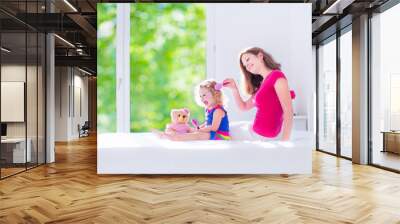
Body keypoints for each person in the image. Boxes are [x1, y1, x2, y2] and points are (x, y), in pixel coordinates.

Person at [223, 47, 293, 141]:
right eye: (245, 65)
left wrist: (285, 142)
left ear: (260, 56)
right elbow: (244, 106)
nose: (247, 65)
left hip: (263, 136)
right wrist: (234, 89)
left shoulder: (277, 76)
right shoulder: (262, 84)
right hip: (254, 130)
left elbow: (288, 111)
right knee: (223, 128)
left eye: (248, 59)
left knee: (221, 132)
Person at [154, 80, 230, 141]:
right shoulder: (209, 109)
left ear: (215, 94)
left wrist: (200, 130)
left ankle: (176, 137)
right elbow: (207, 123)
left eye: (204, 95)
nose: (202, 98)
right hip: (213, 133)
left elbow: (214, 128)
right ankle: (174, 134)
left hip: (221, 136)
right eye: (200, 96)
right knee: (194, 131)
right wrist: (200, 127)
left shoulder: (218, 111)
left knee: (198, 135)